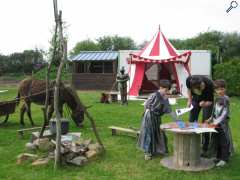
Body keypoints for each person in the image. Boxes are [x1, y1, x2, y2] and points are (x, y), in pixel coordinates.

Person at [138, 79, 172, 160]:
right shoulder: (153, 95)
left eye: (167, 90)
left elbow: (168, 110)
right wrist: (145, 115)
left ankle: (160, 150)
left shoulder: (165, 98)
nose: (166, 92)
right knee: (149, 133)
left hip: (157, 117)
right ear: (160, 88)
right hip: (149, 116)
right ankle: (147, 153)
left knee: (159, 133)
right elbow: (146, 105)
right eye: (165, 90)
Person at [207, 79, 234, 167]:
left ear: (225, 89)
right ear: (215, 90)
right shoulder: (216, 99)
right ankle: (218, 157)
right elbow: (214, 111)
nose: (220, 91)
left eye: (222, 89)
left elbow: (224, 114)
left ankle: (224, 159)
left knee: (223, 142)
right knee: (216, 141)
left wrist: (215, 122)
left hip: (222, 125)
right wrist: (210, 119)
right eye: (218, 89)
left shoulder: (226, 99)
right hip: (215, 125)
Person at [186, 75, 214, 156]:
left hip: (207, 101)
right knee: (192, 120)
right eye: (201, 87)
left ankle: (205, 148)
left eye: (202, 85)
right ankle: (191, 143)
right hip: (196, 100)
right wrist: (189, 100)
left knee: (205, 123)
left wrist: (204, 103)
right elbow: (188, 89)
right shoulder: (189, 80)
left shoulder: (209, 84)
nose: (203, 86)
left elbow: (211, 101)